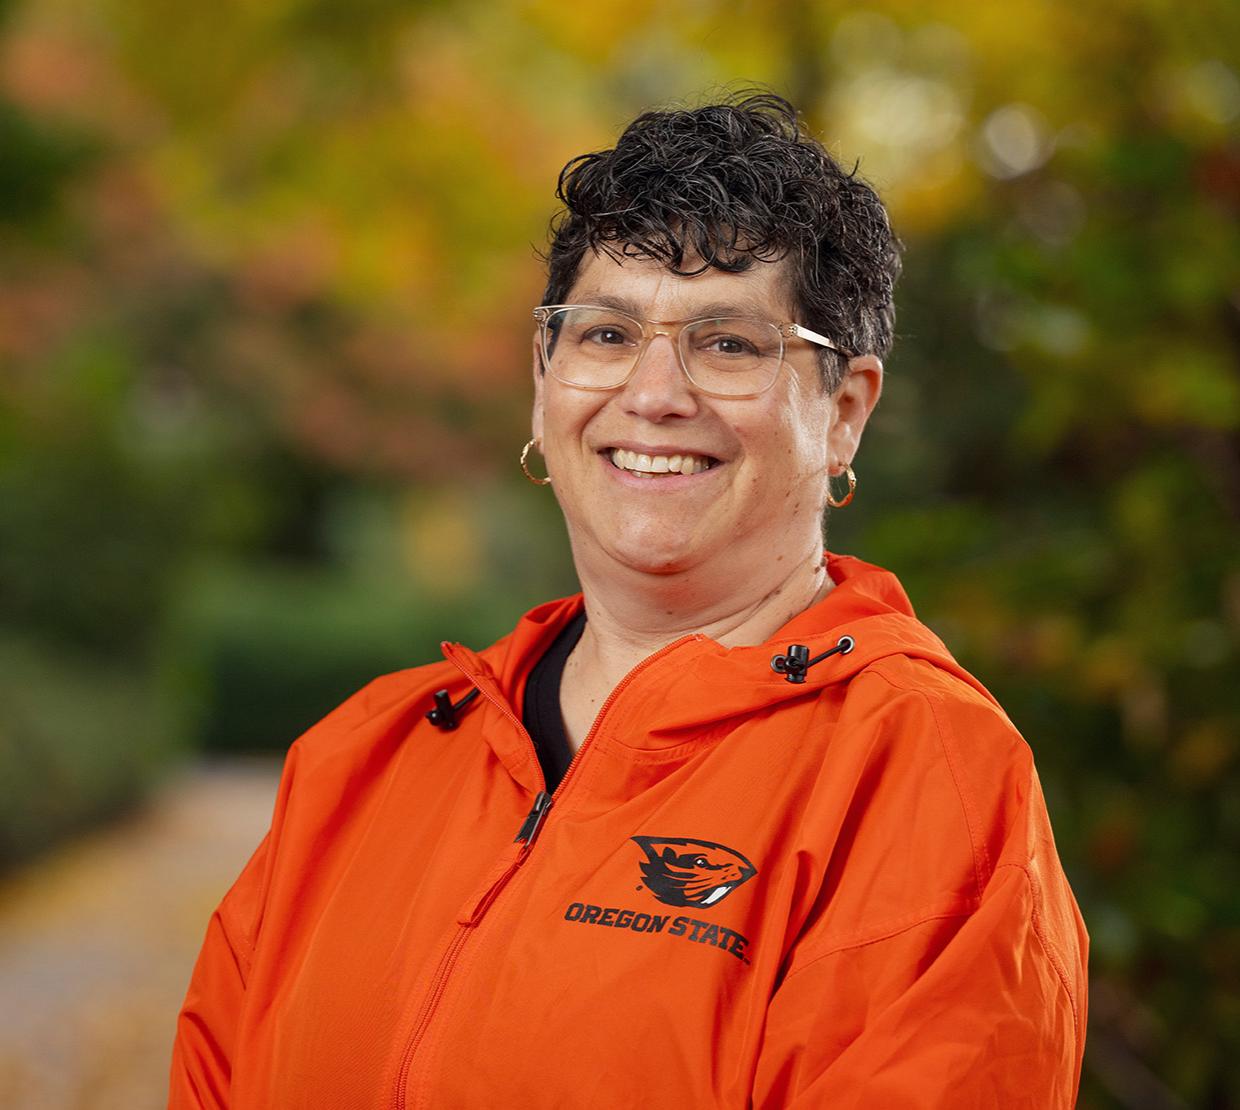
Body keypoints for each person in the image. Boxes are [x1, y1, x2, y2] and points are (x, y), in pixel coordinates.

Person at [170, 92, 1088, 1108]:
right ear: (543, 378)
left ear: (844, 412)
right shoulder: (362, 757)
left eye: (728, 344)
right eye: (606, 334)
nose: (654, 393)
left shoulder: (923, 775)